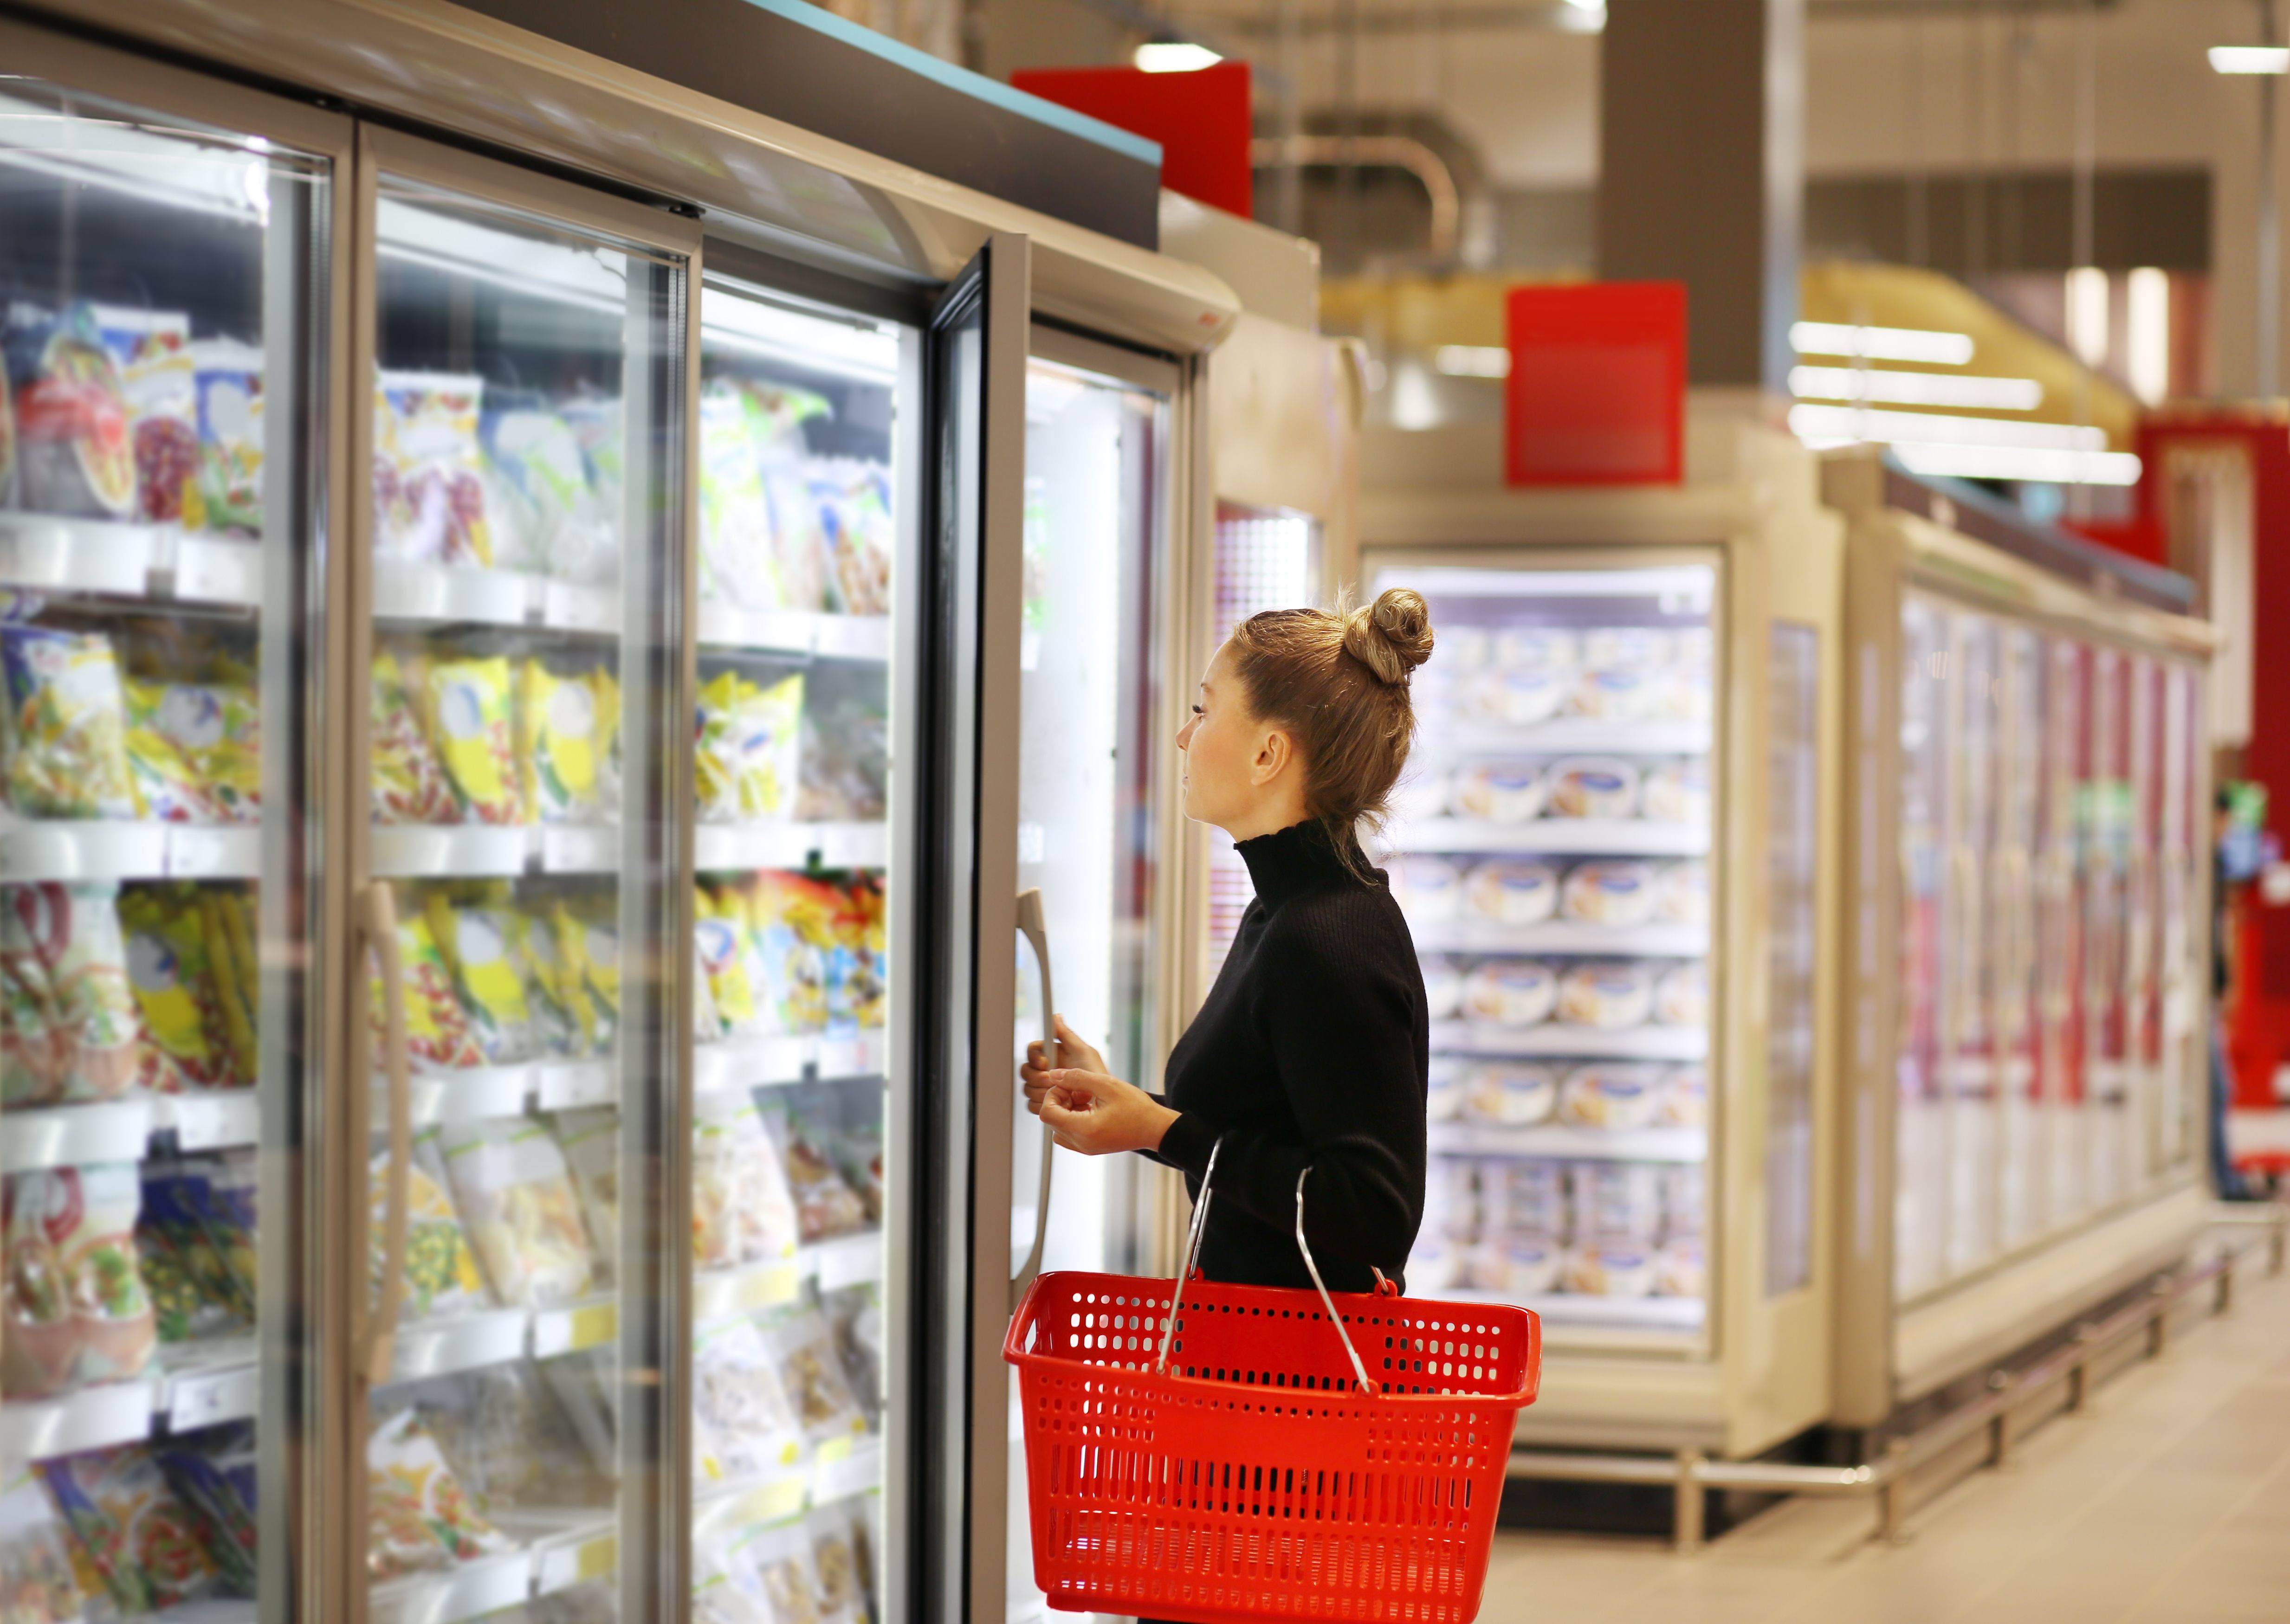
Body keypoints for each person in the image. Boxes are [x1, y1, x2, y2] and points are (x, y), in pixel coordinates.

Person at [1018, 586, 1434, 1297]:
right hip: (1264, 1368)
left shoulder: (1326, 937)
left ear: (1268, 752)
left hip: (1305, 1394)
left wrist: (1161, 1130)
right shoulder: (1287, 909)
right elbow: (1272, 1133)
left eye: (1203, 710)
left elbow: (1372, 1215)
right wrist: (1132, 1110)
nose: (1184, 737)